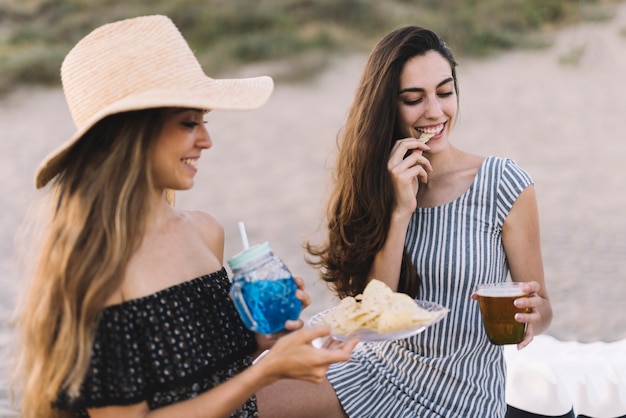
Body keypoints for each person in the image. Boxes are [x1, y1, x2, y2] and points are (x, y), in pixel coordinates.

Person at [11, 15, 357, 418]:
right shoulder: (99, 266)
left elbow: (204, 371)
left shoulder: (205, 231)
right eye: (189, 123)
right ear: (131, 134)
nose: (206, 140)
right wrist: (264, 375)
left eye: (204, 121)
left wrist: (267, 340)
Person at [256, 25, 553, 417]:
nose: (435, 111)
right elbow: (374, 311)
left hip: (461, 397)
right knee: (243, 400)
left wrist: (534, 314)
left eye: (445, 92)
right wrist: (399, 210)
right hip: (377, 370)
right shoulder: (377, 182)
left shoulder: (503, 183)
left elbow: (543, 306)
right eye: (414, 99)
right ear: (388, 108)